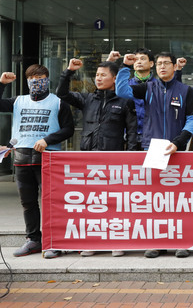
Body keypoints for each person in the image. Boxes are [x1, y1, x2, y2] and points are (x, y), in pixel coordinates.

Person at [115, 51, 193, 258]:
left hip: (177, 148)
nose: (162, 67)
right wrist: (125, 66)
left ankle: (182, 242)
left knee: (181, 199)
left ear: (173, 66)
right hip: (153, 147)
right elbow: (122, 90)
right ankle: (157, 243)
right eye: (159, 64)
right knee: (156, 198)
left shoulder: (186, 91)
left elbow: (192, 118)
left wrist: (179, 142)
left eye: (166, 63)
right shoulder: (147, 88)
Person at [56, 59, 138, 257]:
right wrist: (68, 72)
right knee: (93, 203)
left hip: (114, 159)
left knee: (115, 203)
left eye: (103, 75)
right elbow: (62, 93)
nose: (99, 78)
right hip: (89, 159)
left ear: (114, 78)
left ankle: (116, 242)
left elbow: (133, 131)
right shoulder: (87, 99)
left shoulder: (124, 101)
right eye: (97, 75)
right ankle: (92, 242)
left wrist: (131, 157)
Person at [0, 66, 74, 259]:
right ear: (27, 81)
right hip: (22, 160)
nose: (35, 80)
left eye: (40, 77)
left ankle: (54, 242)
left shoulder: (58, 103)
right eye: (31, 77)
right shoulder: (18, 101)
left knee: (52, 202)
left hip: (48, 158)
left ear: (47, 79)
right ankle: (33, 240)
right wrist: (2, 84)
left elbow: (68, 129)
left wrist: (48, 140)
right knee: (28, 203)